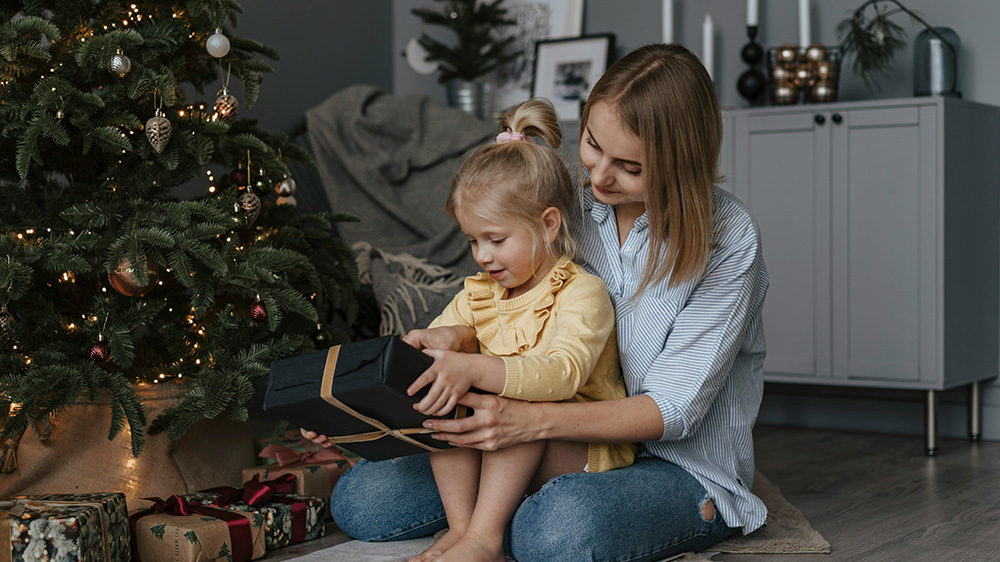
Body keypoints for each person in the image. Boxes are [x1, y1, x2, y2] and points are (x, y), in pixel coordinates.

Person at [303, 43, 769, 562]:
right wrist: (447, 344)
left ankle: (511, 519)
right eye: (592, 144)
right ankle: (495, 515)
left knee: (558, 532)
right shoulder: (562, 198)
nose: (597, 177)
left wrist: (525, 422)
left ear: (681, 164)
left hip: (673, 460)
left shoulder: (728, 239)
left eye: (629, 167)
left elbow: (672, 411)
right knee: (364, 501)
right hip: (538, 431)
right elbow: (493, 301)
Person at [396, 97, 634, 562]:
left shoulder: (582, 292)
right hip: (504, 441)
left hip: (580, 446)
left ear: (547, 225)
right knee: (447, 400)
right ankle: (464, 529)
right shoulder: (480, 292)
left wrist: (476, 367)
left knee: (507, 401)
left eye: (496, 240)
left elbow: (562, 374)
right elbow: (445, 349)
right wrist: (438, 343)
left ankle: (485, 538)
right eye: (473, 241)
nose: (482, 256)